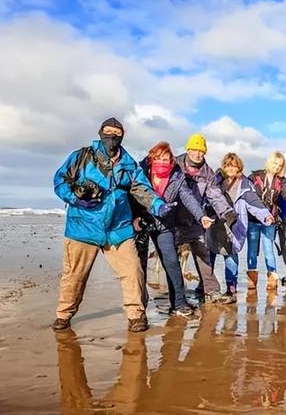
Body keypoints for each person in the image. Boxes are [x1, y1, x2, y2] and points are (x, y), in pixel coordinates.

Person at [52, 117, 171, 332]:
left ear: (122, 136)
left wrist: (158, 204)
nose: (112, 137)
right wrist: (75, 198)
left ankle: (136, 315)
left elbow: (141, 188)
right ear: (100, 133)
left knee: (133, 271)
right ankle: (64, 315)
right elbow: (60, 181)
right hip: (82, 227)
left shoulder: (128, 162)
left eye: (117, 133)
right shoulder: (81, 156)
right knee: (74, 276)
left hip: (118, 228)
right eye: (108, 132)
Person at [131, 142, 215, 317]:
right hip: (141, 224)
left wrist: (201, 216)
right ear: (151, 158)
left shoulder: (177, 175)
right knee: (138, 267)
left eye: (166, 159)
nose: (162, 162)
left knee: (172, 263)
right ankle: (138, 309)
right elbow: (130, 194)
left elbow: (187, 196)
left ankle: (178, 303)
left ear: (171, 160)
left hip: (164, 224)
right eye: (158, 158)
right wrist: (133, 218)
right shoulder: (140, 171)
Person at [174, 134, 236, 304]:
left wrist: (227, 212)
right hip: (172, 219)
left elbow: (215, 195)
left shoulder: (207, 172)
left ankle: (211, 291)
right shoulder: (175, 164)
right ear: (188, 149)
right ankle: (177, 297)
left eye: (201, 151)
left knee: (203, 254)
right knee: (171, 259)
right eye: (194, 149)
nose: (197, 154)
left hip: (195, 219)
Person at [207, 153, 274, 302]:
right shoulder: (216, 181)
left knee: (230, 255)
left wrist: (265, 215)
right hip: (215, 223)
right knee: (209, 254)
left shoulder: (244, 185)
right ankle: (206, 287)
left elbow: (254, 202)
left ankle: (231, 288)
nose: (231, 168)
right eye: (228, 165)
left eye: (234, 165)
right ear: (224, 166)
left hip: (234, 224)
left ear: (239, 167)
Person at [246, 152, 286, 291]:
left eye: (280, 165)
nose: (276, 167)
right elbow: (247, 196)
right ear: (269, 162)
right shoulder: (254, 177)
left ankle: (272, 278)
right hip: (253, 219)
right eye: (275, 163)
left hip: (270, 220)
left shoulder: (281, 182)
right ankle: (252, 280)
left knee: (268, 248)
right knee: (252, 250)